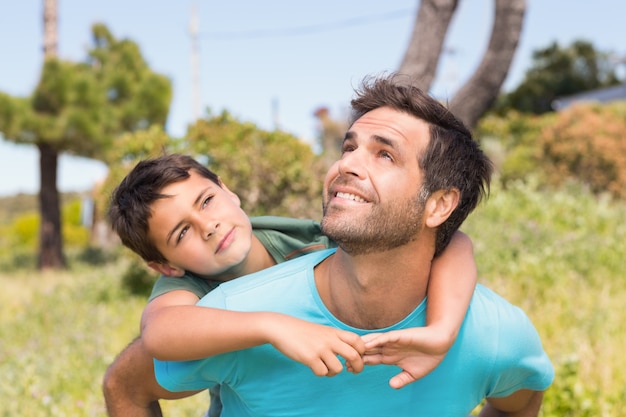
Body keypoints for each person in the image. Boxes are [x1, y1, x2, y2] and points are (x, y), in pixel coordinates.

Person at [154, 74, 554, 416]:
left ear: (439, 205)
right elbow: (132, 378)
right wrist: (271, 325)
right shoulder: (230, 314)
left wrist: (444, 332)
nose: (346, 164)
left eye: (384, 154)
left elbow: (520, 397)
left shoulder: (495, 332)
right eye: (348, 147)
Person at [103, 153, 478, 417]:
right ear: (164, 265)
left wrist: (443, 330)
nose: (208, 226)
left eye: (207, 201)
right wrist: (273, 325)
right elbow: (159, 332)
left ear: (228, 191)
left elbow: (453, 242)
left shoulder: (305, 237)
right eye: (182, 232)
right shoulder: (189, 284)